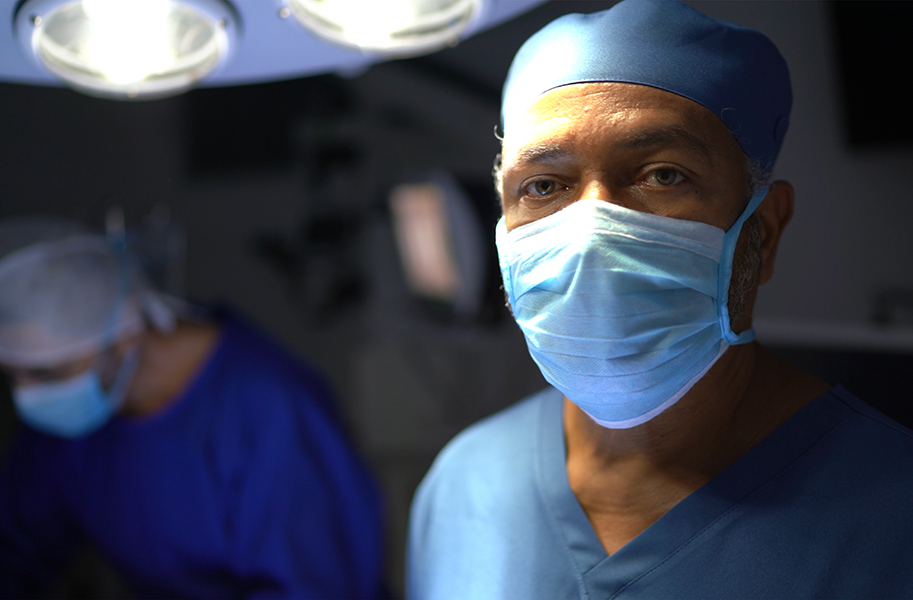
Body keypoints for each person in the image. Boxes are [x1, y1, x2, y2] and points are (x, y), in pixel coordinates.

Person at [407, 1, 913, 598]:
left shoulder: (893, 512)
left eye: (662, 175)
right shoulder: (465, 485)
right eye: (542, 186)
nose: (592, 231)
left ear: (764, 232)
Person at [0, 217, 385, 599]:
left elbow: (310, 586)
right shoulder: (69, 427)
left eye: (45, 372)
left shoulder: (267, 408)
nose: (26, 395)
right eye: (11, 375)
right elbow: (17, 549)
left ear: (126, 336)